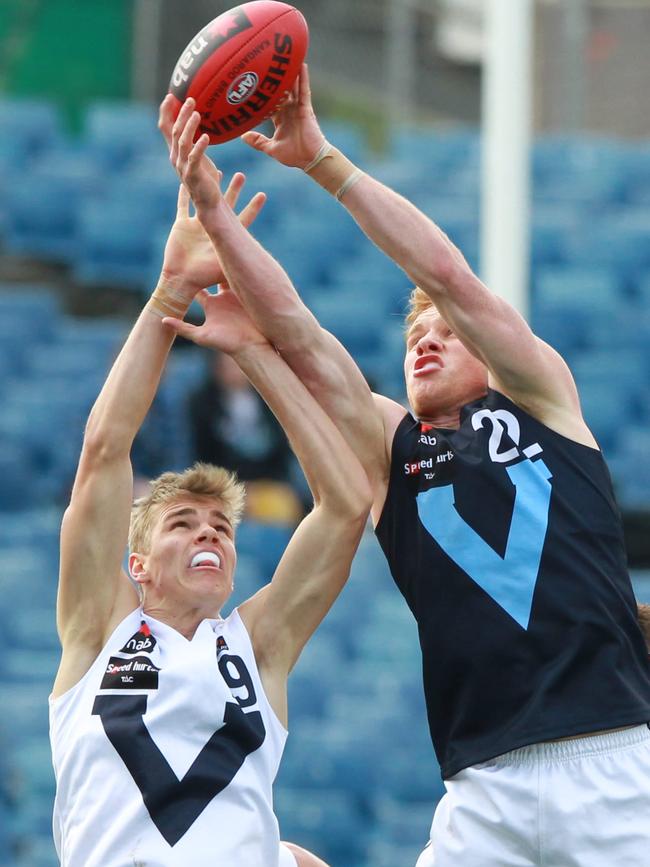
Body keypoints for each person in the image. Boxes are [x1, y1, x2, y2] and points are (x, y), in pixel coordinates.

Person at [161, 74, 650, 867]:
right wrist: (215, 212)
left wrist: (320, 160)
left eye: (442, 332)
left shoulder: (541, 401)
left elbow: (450, 275)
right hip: (482, 788)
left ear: (486, 351)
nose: (424, 339)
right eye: (411, 333)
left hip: (615, 761)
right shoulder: (398, 450)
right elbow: (303, 340)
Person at [48, 174, 371, 867]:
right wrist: (169, 295)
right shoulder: (101, 624)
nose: (208, 533)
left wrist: (253, 353)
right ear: (136, 565)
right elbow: (106, 449)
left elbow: (345, 506)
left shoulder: (259, 643)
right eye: (183, 523)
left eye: (222, 527)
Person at [187, 349, 304, 523]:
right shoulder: (202, 404)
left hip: (269, 482)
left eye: (238, 365)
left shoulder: (269, 400)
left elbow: (281, 448)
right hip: (223, 484)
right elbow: (203, 455)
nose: (234, 372)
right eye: (227, 366)